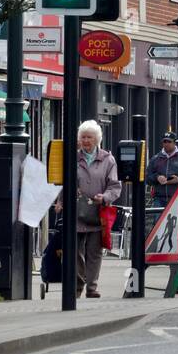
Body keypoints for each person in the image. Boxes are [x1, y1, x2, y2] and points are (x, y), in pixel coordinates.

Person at [74, 120, 121, 298]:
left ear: (97, 139)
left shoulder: (108, 159)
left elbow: (115, 185)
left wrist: (106, 197)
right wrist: (61, 201)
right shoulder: (73, 158)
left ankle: (92, 287)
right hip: (77, 211)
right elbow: (62, 183)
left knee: (94, 251)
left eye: (89, 137)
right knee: (75, 251)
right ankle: (77, 285)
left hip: (97, 212)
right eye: (83, 137)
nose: (86, 140)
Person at [146, 132, 178, 208]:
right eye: (164, 141)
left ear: (175, 143)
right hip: (159, 198)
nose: (166, 144)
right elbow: (148, 178)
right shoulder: (155, 159)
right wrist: (157, 177)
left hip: (176, 198)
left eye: (169, 141)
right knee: (157, 219)